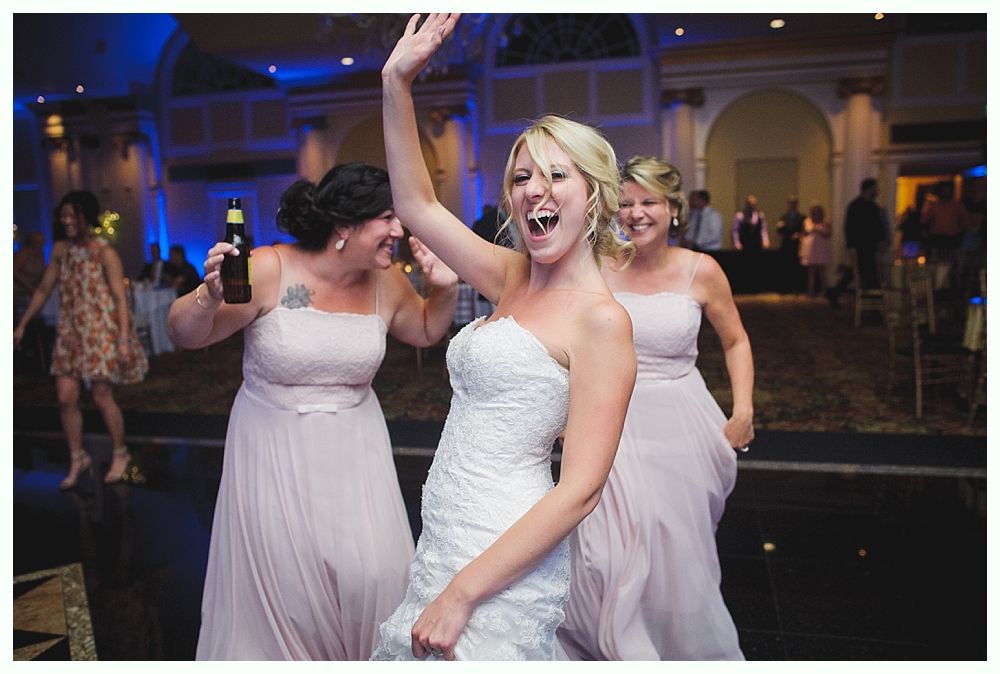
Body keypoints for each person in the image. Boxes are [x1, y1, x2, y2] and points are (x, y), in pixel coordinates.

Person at [372, 14, 637, 661]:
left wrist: (462, 594)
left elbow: (580, 490)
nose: (534, 191)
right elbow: (419, 208)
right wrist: (395, 85)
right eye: (521, 178)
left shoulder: (601, 320)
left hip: (504, 545)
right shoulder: (512, 274)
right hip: (447, 529)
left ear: (595, 195)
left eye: (556, 175)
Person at [167, 161, 459, 660]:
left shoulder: (383, 280)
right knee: (288, 588)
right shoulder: (270, 269)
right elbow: (186, 335)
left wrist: (446, 290)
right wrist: (206, 295)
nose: (398, 230)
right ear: (344, 226)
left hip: (356, 451)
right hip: (273, 448)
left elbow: (427, 330)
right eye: (387, 218)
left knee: (374, 572)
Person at [557, 156, 752, 661]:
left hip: (681, 421)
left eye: (648, 202)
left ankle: (679, 646)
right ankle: (613, 642)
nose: (636, 213)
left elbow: (734, 340)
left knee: (677, 546)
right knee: (605, 547)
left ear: (672, 209)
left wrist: (743, 408)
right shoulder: (595, 268)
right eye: (625, 203)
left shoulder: (701, 270)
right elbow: (568, 344)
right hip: (609, 422)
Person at [13, 191, 148, 488]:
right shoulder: (60, 250)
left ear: (86, 216)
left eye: (72, 215)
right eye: (63, 216)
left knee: (102, 396)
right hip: (71, 332)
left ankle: (120, 453)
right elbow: (43, 289)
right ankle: (78, 458)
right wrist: (21, 324)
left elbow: (119, 297)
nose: (66, 221)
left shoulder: (105, 252)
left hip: (100, 331)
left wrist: (124, 338)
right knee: (64, 397)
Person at [826, 178, 885, 308]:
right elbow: (849, 227)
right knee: (865, 273)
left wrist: (881, 240)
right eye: (875, 188)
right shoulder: (855, 206)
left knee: (857, 272)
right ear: (869, 189)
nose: (877, 191)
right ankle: (874, 304)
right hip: (859, 246)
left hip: (870, 246)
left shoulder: (873, 206)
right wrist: (851, 246)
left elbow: (876, 226)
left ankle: (836, 293)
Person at [799, 202, 832, 297]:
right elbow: (803, 234)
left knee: (821, 270)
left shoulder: (825, 222)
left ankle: (824, 290)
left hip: (820, 247)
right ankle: (811, 290)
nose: (815, 213)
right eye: (813, 211)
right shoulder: (807, 221)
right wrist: (800, 249)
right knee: (811, 270)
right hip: (810, 248)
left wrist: (818, 230)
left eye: (817, 211)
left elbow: (828, 234)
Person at [776, 195, 805, 293]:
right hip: (786, 244)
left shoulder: (802, 217)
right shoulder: (783, 217)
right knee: (785, 266)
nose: (792, 205)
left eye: (794, 203)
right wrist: (780, 226)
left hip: (797, 245)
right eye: (790, 203)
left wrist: (799, 235)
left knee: (796, 267)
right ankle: (785, 288)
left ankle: (796, 288)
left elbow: (805, 231)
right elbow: (779, 231)